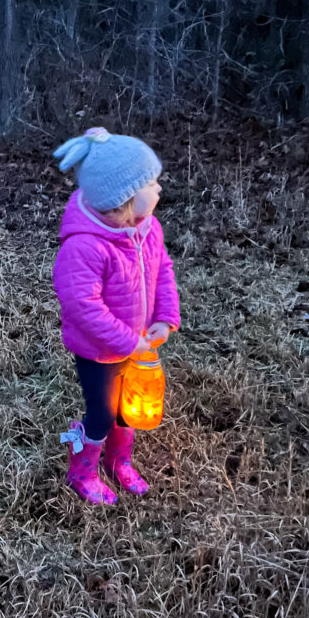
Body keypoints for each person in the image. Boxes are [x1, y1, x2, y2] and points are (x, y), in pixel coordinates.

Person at [52, 127, 181, 504]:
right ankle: (82, 472)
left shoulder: (148, 228)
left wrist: (165, 314)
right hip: (99, 352)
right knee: (103, 412)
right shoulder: (85, 247)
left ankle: (117, 461)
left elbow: (163, 270)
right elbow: (83, 306)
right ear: (124, 200)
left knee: (129, 408)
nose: (158, 190)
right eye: (151, 184)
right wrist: (127, 339)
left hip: (136, 342)